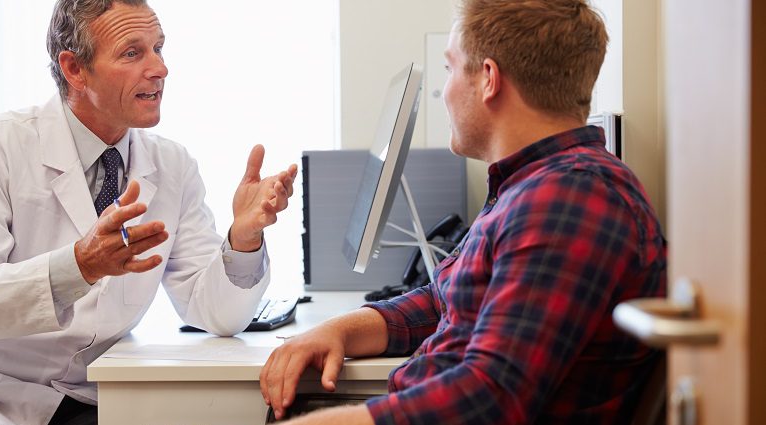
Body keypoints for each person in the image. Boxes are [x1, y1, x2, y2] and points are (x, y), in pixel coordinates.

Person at [0, 0, 297, 424]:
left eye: (159, 48)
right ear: (74, 69)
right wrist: (78, 266)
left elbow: (215, 313)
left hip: (80, 396)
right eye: (133, 53)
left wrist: (243, 239)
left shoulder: (173, 166)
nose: (160, 69)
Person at [259, 0, 667, 424]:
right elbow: (444, 299)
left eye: (450, 69)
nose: (446, 90)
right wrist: (339, 330)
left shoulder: (570, 197)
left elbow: (489, 399)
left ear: (488, 79)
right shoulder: (529, 186)